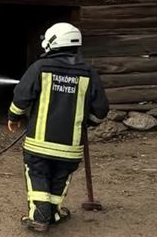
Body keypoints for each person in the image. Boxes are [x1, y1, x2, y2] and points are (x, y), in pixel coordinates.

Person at [7, 22, 109, 232]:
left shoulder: (40, 68)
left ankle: (39, 216)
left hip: (39, 144)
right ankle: (53, 212)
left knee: (38, 175)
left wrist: (13, 117)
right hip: (70, 147)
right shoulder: (88, 73)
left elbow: (22, 97)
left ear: (52, 42)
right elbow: (100, 111)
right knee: (59, 178)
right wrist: (86, 122)